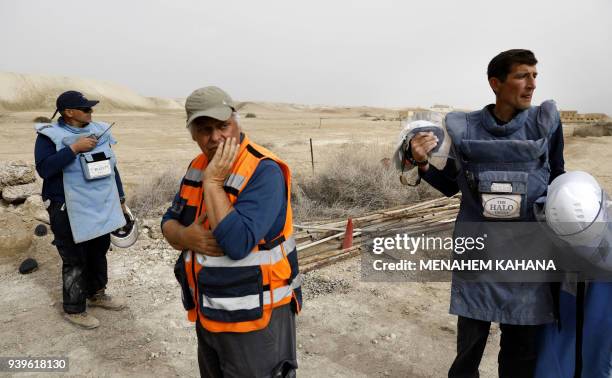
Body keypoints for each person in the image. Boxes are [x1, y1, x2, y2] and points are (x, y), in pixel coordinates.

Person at [408, 49, 565, 377]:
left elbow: (559, 184)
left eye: (535, 75)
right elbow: (452, 185)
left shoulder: (545, 123)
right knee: (469, 349)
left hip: (529, 257)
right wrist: (422, 164)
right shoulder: (465, 128)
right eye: (522, 75)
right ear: (495, 83)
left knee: (520, 353)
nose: (531, 84)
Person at [161, 86, 302, 377]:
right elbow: (169, 220)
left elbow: (237, 243)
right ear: (192, 134)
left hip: (255, 321)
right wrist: (184, 236)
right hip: (209, 312)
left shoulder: (263, 170)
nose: (215, 137)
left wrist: (213, 183)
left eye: (222, 126)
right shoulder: (196, 167)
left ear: (236, 122)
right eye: (204, 129)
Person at [34, 90, 127, 329]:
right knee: (74, 258)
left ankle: (96, 293)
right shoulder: (49, 136)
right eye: (86, 109)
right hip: (67, 206)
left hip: (99, 204)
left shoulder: (99, 131)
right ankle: (74, 308)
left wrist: (120, 197)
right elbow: (45, 169)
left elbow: (111, 167)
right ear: (69, 112)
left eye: (91, 109)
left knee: (98, 250)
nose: (91, 112)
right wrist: (74, 149)